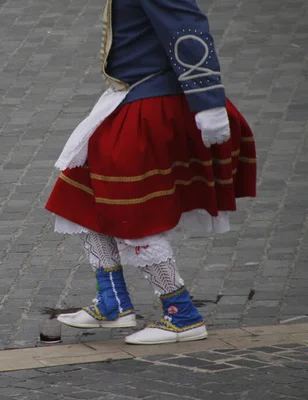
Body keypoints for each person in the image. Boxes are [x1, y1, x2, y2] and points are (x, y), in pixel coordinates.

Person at [45, 0, 257, 345]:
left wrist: (208, 100)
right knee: (79, 195)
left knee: (134, 209)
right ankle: (112, 302)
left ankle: (182, 314)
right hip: (130, 97)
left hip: (154, 105)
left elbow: (187, 28)